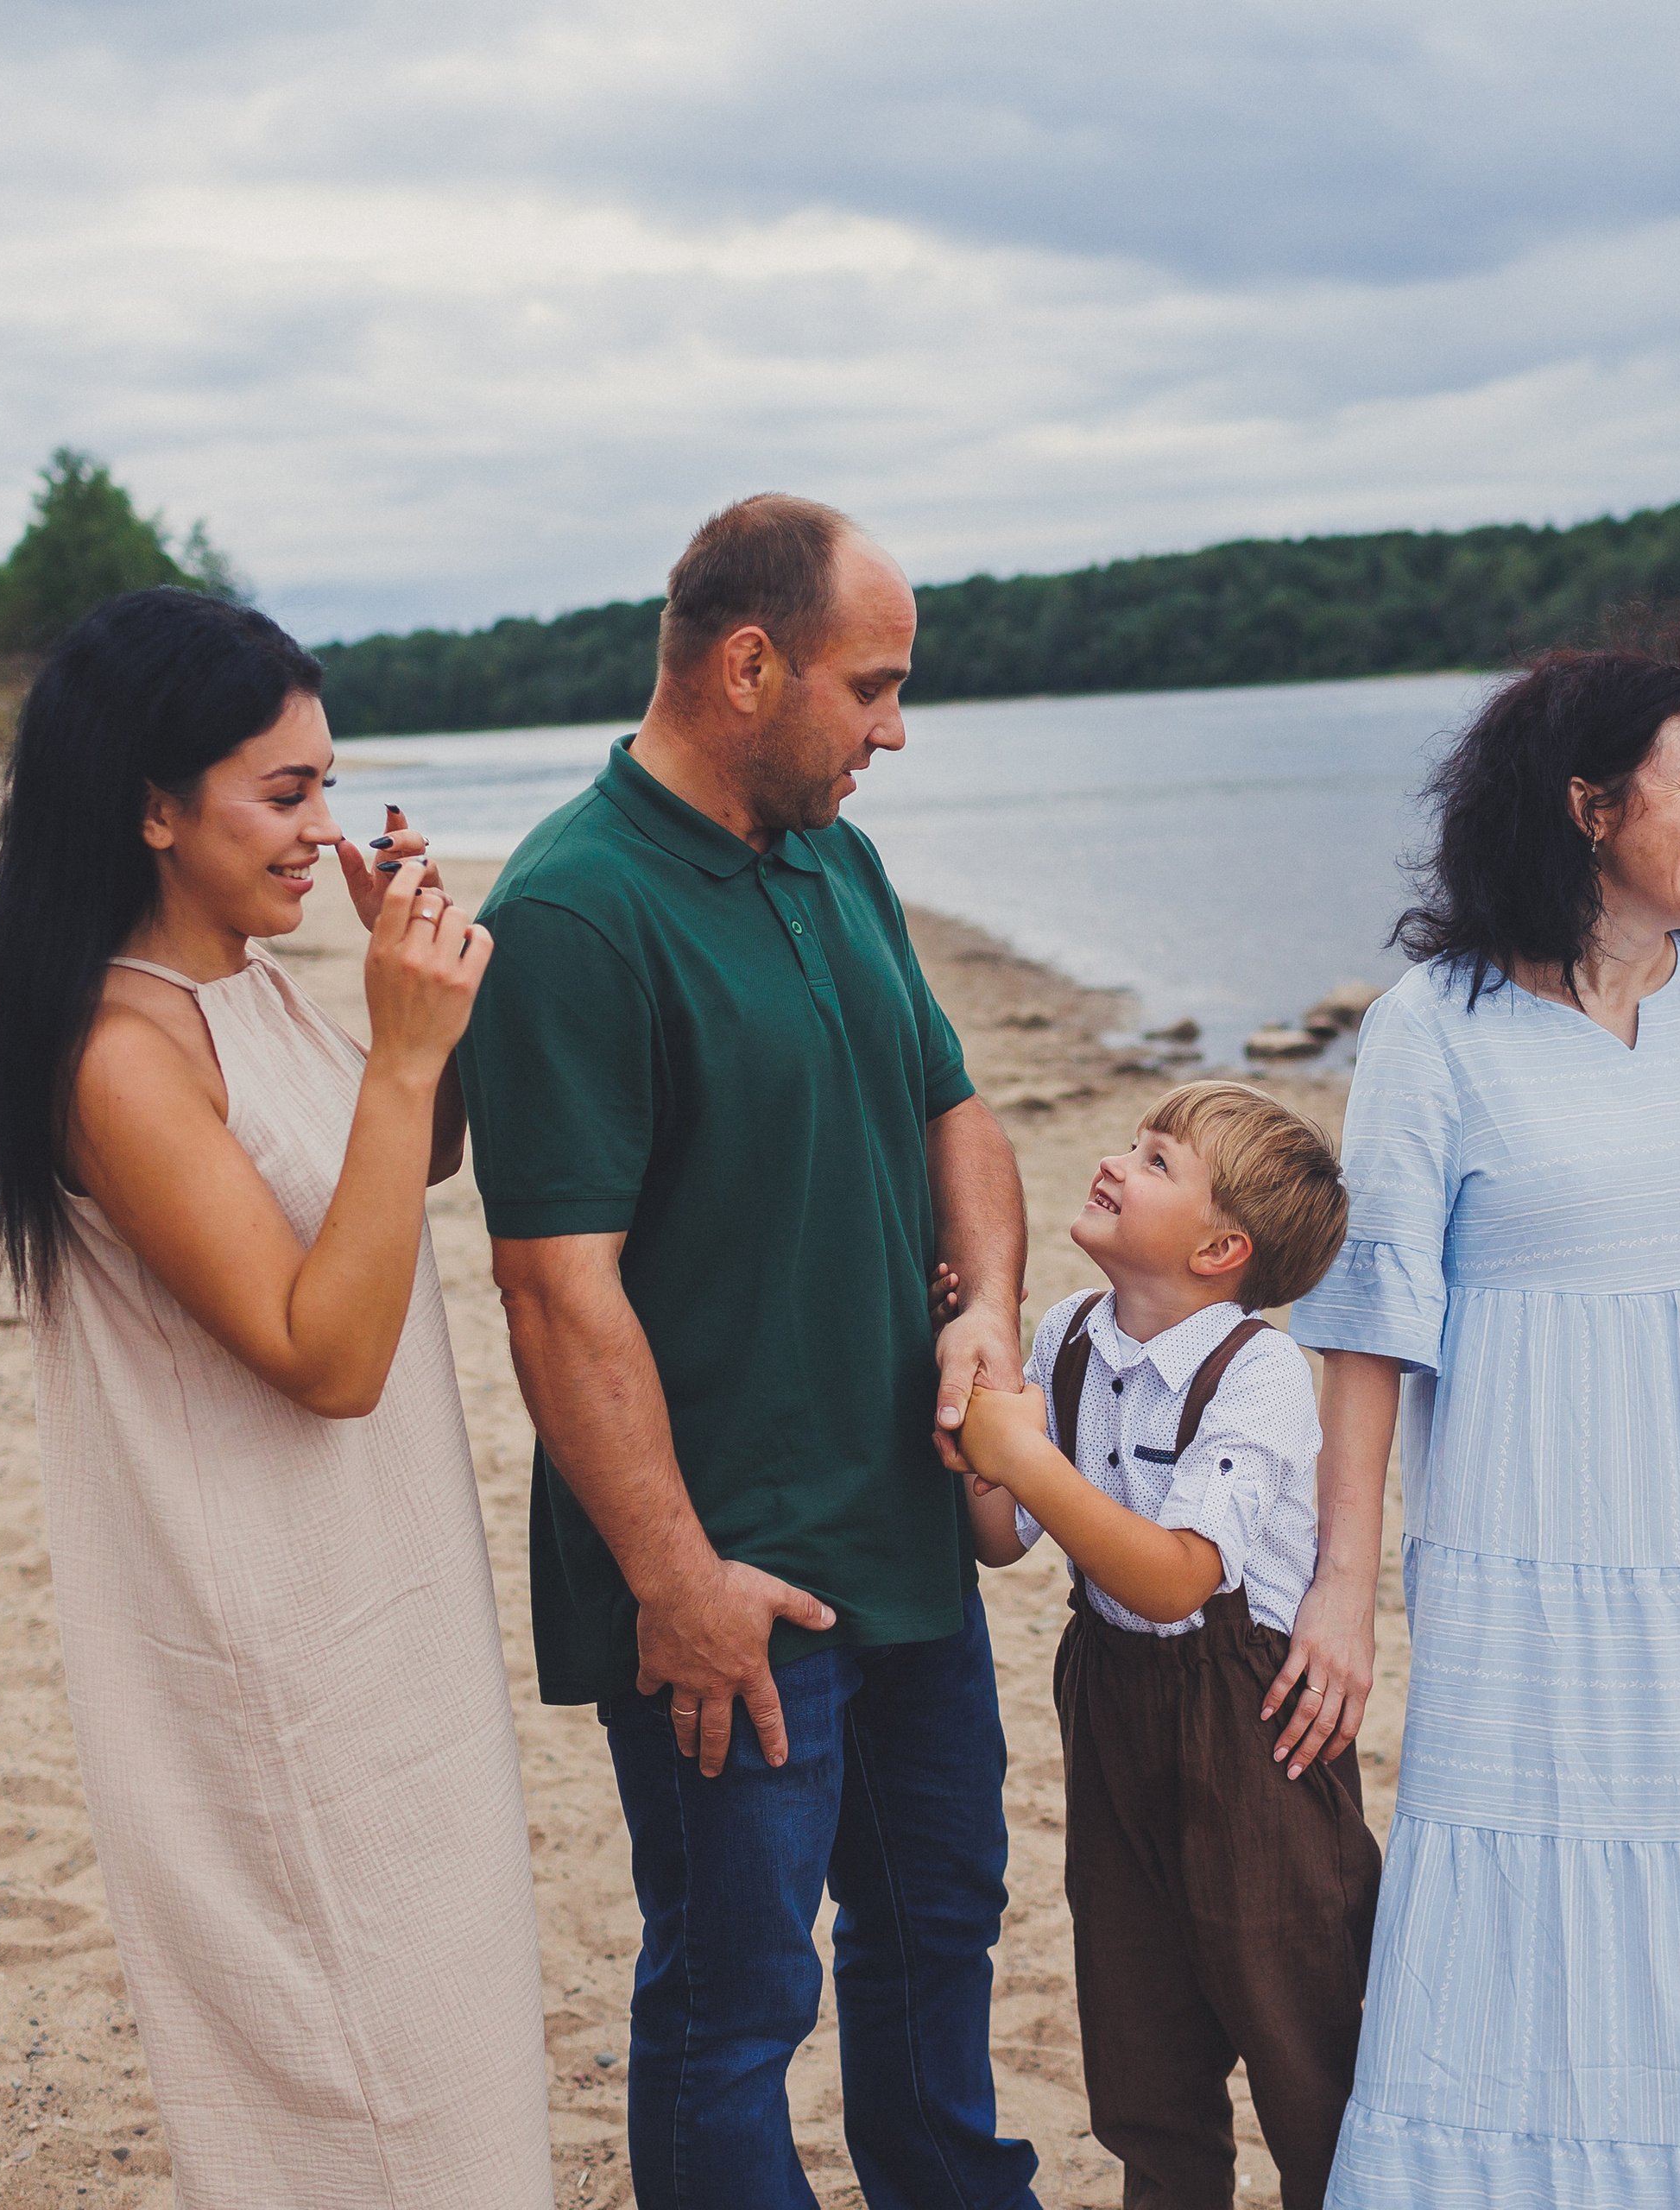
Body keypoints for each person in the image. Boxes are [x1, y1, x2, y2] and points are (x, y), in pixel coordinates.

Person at [1285, 628, 1680, 2209]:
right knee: (1545, 1892)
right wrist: (1345, 1584)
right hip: (1539, 1557)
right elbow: (1374, 1324)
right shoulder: (1433, 1029)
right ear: (1588, 807)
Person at [456, 495, 1039, 2208]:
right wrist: (674, 1573)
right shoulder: (570, 910)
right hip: (731, 1586)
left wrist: (989, 1306)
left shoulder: (833, 859)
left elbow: (958, 1112)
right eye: (870, 686)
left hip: (909, 1538)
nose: (893, 728)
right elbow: (554, 1288)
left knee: (938, 1925)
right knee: (735, 2002)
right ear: (746, 664)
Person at [0, 586, 552, 2207]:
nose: (323, 827)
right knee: (365, 2098)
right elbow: (328, 1354)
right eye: (284, 793)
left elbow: (386, 1181)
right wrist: (406, 1056)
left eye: (329, 785)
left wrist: (398, 1003)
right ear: (153, 804)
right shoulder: (118, 1055)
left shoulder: (249, 979)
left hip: (386, 1613)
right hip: (277, 1658)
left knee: (453, 2068)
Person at [956, 1080, 1379, 2210]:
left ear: (1220, 1248)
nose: (1115, 1162)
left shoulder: (1258, 1374)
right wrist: (975, 1427)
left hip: (1252, 1727)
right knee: (1140, 2031)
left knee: (1300, 2036)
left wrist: (1026, 1456)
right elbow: (1004, 1539)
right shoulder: (1068, 1339)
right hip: (1112, 1700)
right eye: (1132, 1144)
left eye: (1155, 1163)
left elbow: (1181, 1571)